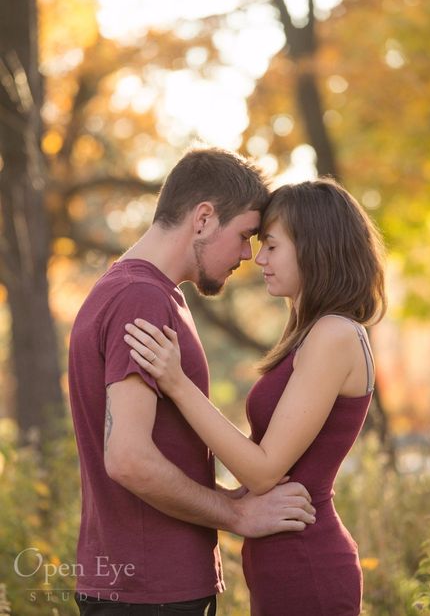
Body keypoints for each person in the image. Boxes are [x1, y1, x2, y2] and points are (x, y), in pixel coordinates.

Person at [68, 146, 316, 616]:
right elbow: (128, 459)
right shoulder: (141, 298)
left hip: (140, 584)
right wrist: (237, 514)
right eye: (245, 235)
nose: (248, 254)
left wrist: (228, 493)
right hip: (152, 590)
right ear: (203, 218)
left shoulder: (138, 291)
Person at [124, 178, 387, 616]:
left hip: (307, 564)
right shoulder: (310, 332)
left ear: (313, 247)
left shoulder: (334, 334)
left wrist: (176, 383)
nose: (257, 258)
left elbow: (265, 470)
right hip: (282, 562)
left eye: (271, 245)